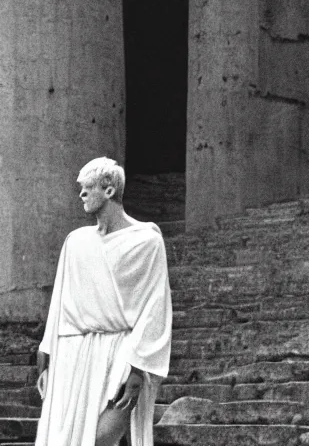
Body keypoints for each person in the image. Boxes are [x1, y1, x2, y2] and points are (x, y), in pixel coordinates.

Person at [34, 157, 172, 446]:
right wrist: (45, 353)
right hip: (73, 353)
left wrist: (138, 369)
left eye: (87, 187)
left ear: (109, 190)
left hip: (124, 351)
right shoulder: (75, 241)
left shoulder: (146, 240)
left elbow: (155, 306)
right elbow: (60, 302)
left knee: (100, 439)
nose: (81, 194)